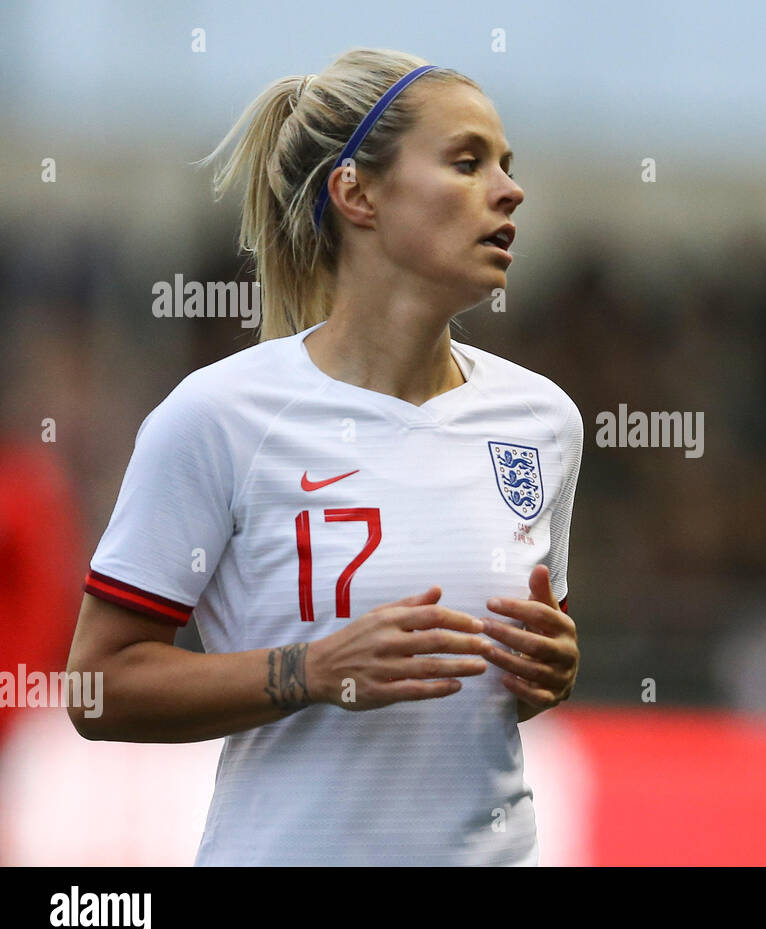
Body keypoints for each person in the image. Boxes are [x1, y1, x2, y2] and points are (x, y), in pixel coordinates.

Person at [65, 48, 583, 866]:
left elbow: (503, 690)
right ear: (357, 192)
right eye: (466, 162)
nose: (509, 190)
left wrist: (552, 673)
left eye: (507, 167)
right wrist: (309, 670)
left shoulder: (542, 420)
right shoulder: (220, 416)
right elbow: (98, 689)